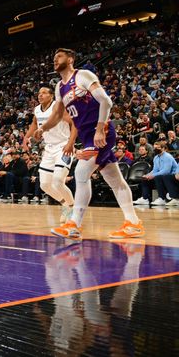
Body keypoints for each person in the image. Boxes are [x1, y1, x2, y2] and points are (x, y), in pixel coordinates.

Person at [38, 49, 144, 240]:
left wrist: (99, 128)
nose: (55, 59)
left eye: (59, 56)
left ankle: (74, 225)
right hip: (87, 137)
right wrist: (42, 128)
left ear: (70, 59)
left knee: (80, 173)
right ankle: (133, 223)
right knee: (116, 181)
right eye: (53, 57)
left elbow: (106, 101)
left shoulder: (83, 75)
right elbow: (57, 116)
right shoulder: (59, 88)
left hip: (100, 131)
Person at [23, 86, 78, 222]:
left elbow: (74, 123)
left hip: (63, 146)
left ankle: (73, 208)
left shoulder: (58, 106)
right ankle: (65, 204)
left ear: (51, 96)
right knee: (44, 184)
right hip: (49, 148)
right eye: (39, 93)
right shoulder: (37, 109)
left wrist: (70, 143)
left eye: (44, 93)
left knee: (58, 181)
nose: (40, 95)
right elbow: (34, 124)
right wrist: (25, 138)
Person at [134, 141, 179, 206]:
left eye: (158, 148)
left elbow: (166, 171)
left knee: (158, 177)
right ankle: (145, 198)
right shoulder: (156, 157)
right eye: (154, 148)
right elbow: (155, 170)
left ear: (163, 148)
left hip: (170, 175)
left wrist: (153, 175)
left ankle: (162, 198)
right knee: (145, 179)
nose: (156, 149)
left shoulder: (168, 157)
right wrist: (148, 175)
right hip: (161, 176)